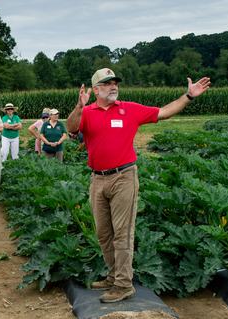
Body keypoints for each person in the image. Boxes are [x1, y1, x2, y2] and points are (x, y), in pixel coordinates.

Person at [66, 68, 211, 303]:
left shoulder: (129, 109)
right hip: (97, 179)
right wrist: (79, 107)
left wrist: (189, 96)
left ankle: (124, 285)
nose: (113, 86)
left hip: (124, 177)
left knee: (122, 233)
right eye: (107, 83)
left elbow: (164, 112)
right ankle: (114, 275)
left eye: (115, 83)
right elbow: (71, 128)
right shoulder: (88, 112)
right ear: (95, 90)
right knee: (103, 233)